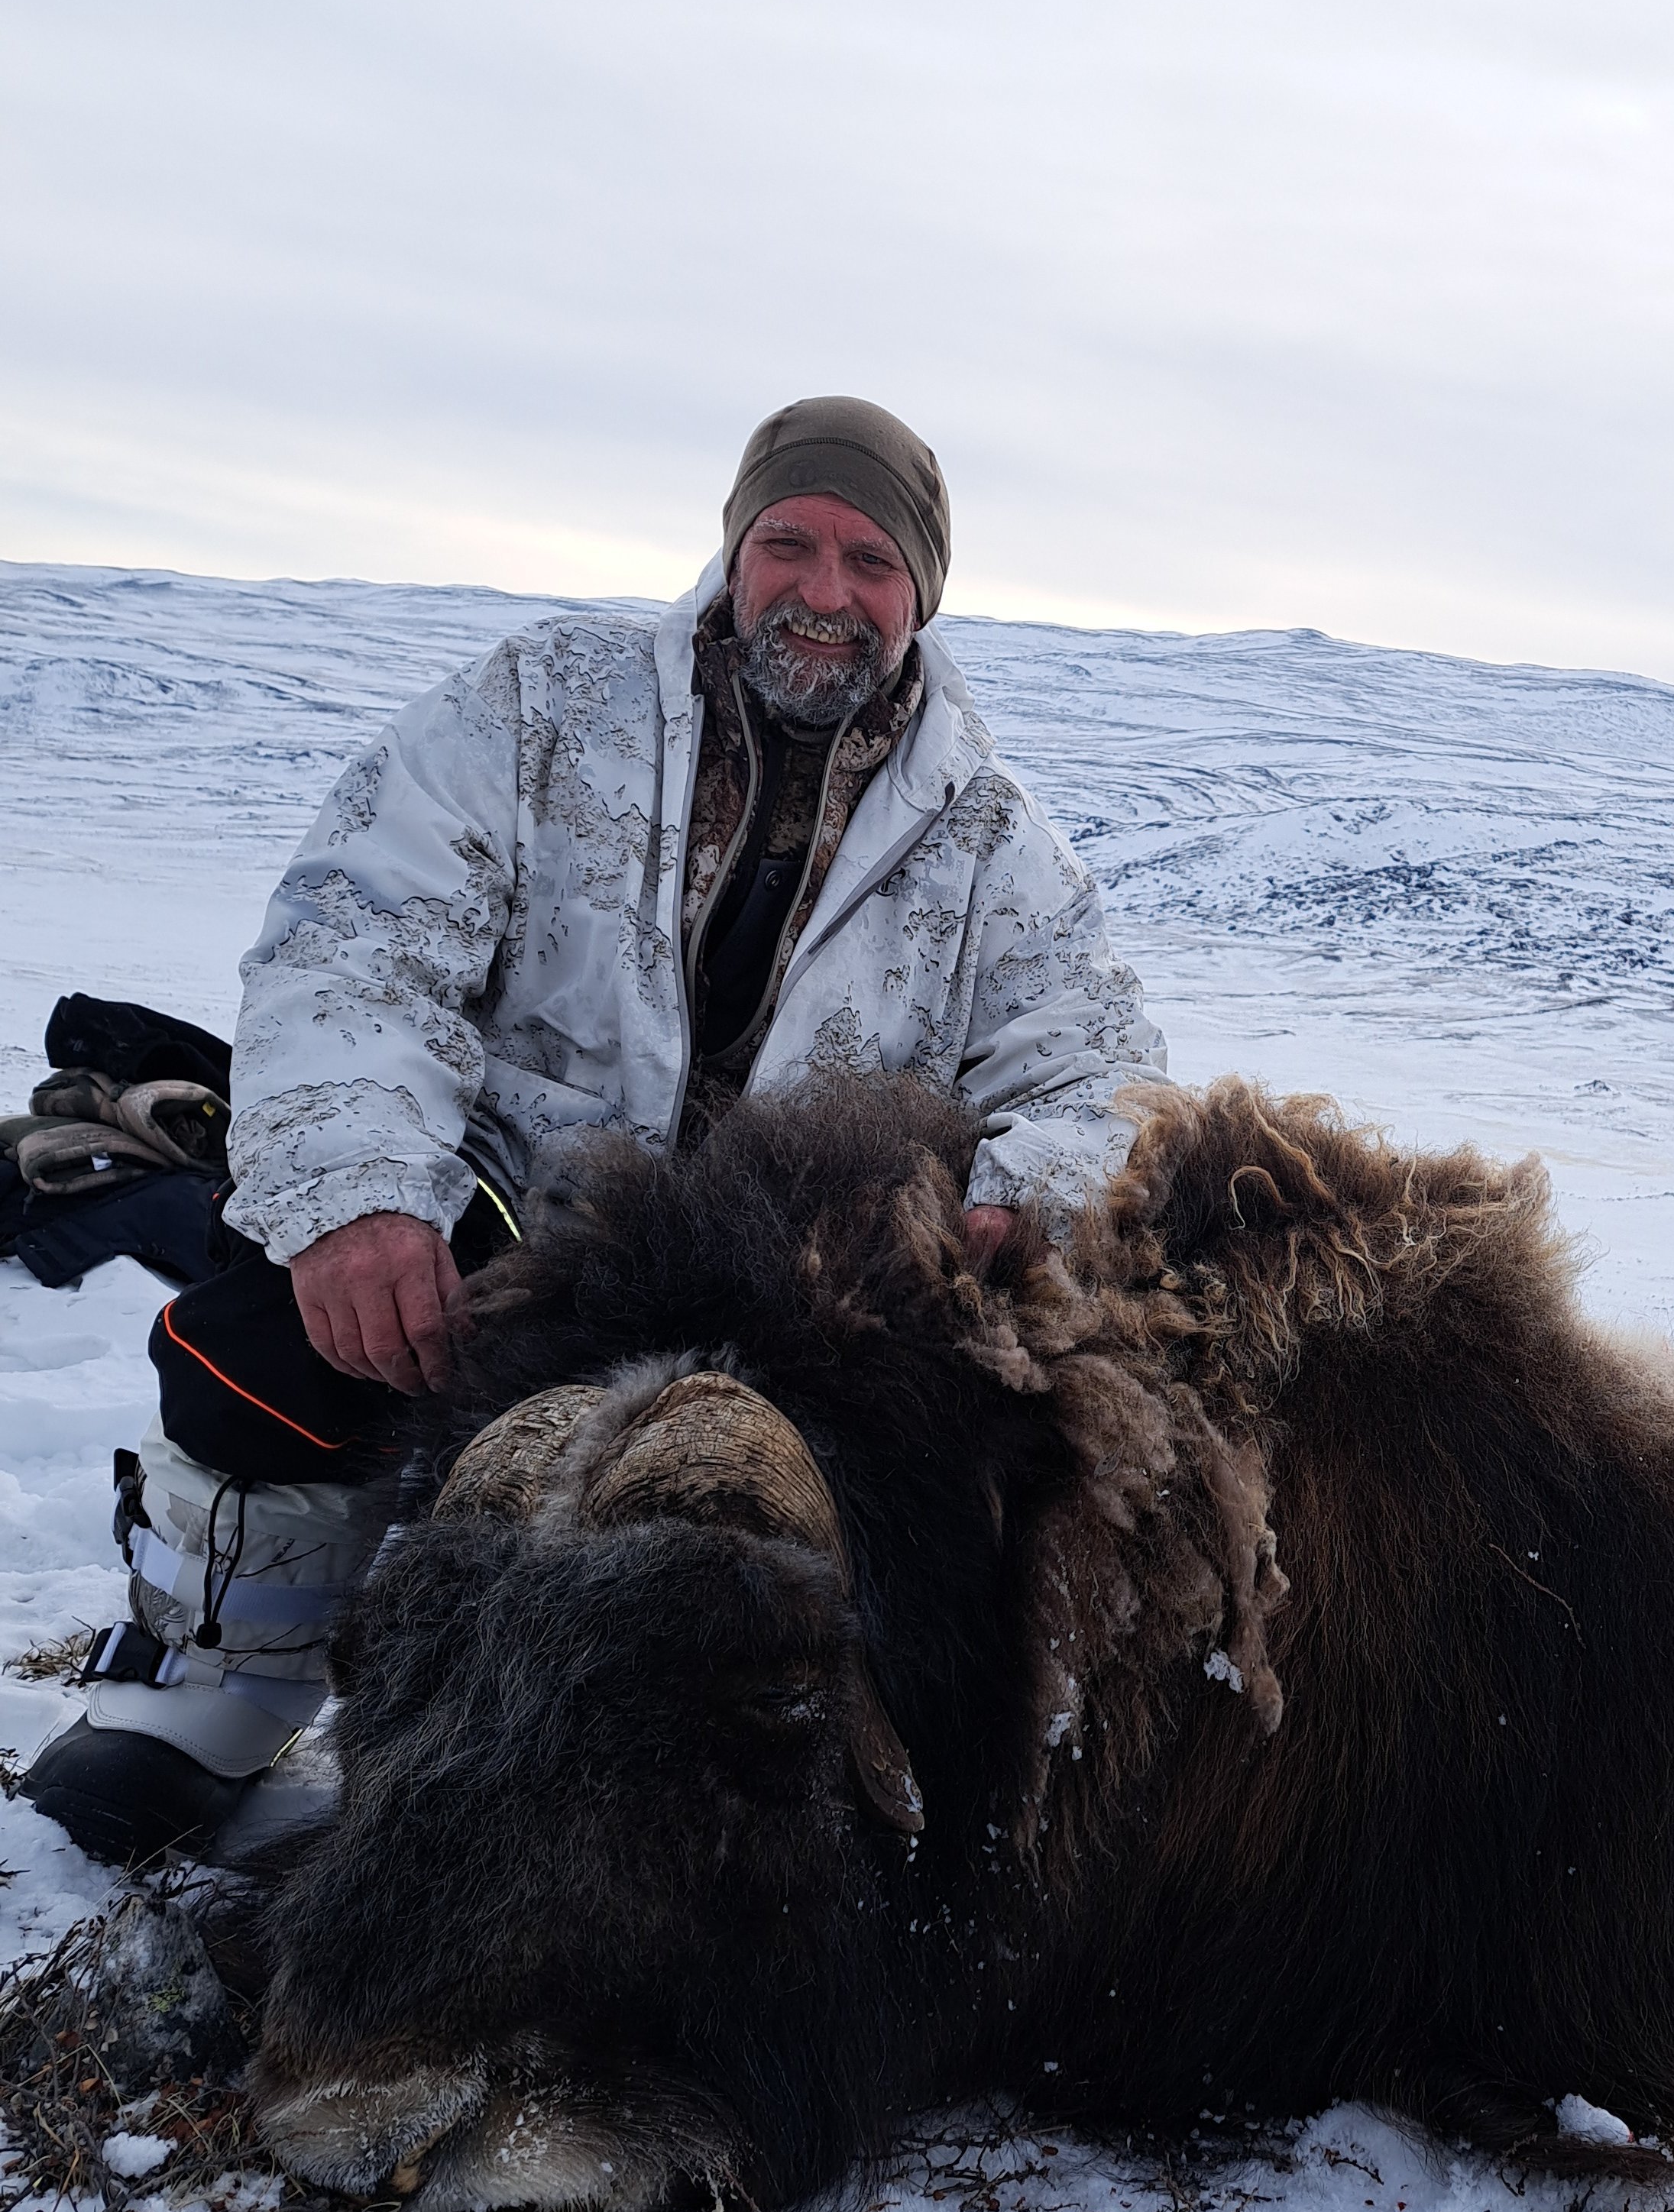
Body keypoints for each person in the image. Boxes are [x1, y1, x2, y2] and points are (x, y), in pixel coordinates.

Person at [28, 393, 1165, 1862]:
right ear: (734, 551)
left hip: (805, 1298)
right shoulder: (537, 712)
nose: (826, 593)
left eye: (871, 563)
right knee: (285, 1318)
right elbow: (355, 944)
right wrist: (365, 1193)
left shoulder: (998, 843)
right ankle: (221, 1683)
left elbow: (1107, 1082)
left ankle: (823, 1776)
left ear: (921, 596)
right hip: (524, 1228)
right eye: (791, 543)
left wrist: (1027, 1196)